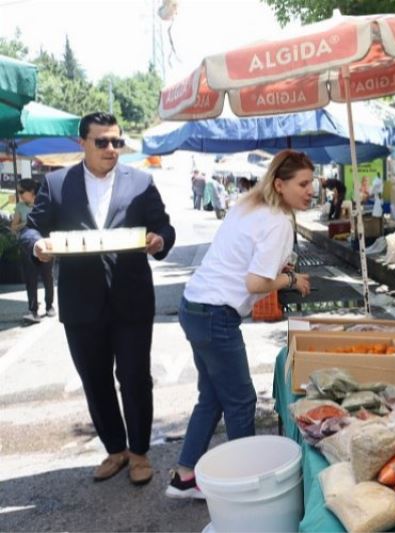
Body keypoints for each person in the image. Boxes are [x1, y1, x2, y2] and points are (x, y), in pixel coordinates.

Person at [20, 112, 175, 486]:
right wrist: (37, 246)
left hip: (132, 300)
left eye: (116, 142)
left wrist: (159, 241)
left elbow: (164, 226)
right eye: (102, 141)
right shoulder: (57, 184)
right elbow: (30, 228)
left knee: (135, 378)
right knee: (95, 379)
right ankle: (115, 449)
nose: (111, 149)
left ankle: (139, 452)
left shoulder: (140, 181)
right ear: (82, 144)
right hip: (81, 303)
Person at [166, 149, 314, 499]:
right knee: (241, 401)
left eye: (312, 183)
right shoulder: (278, 222)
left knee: (213, 397)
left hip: (195, 307)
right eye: (303, 184)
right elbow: (255, 284)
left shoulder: (250, 206)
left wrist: (279, 273)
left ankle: (185, 475)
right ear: (280, 184)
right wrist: (291, 282)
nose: (311, 190)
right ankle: (242, 488)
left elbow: (243, 260)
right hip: (217, 314)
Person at [12, 178, 54, 323]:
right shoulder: (20, 207)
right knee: (31, 279)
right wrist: (27, 222)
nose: (20, 194)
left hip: (45, 244)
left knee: (47, 277)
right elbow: (13, 227)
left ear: (31, 191)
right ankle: (33, 310)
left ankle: (49, 306)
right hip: (28, 247)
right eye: (19, 192)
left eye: (22, 191)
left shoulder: (42, 203)